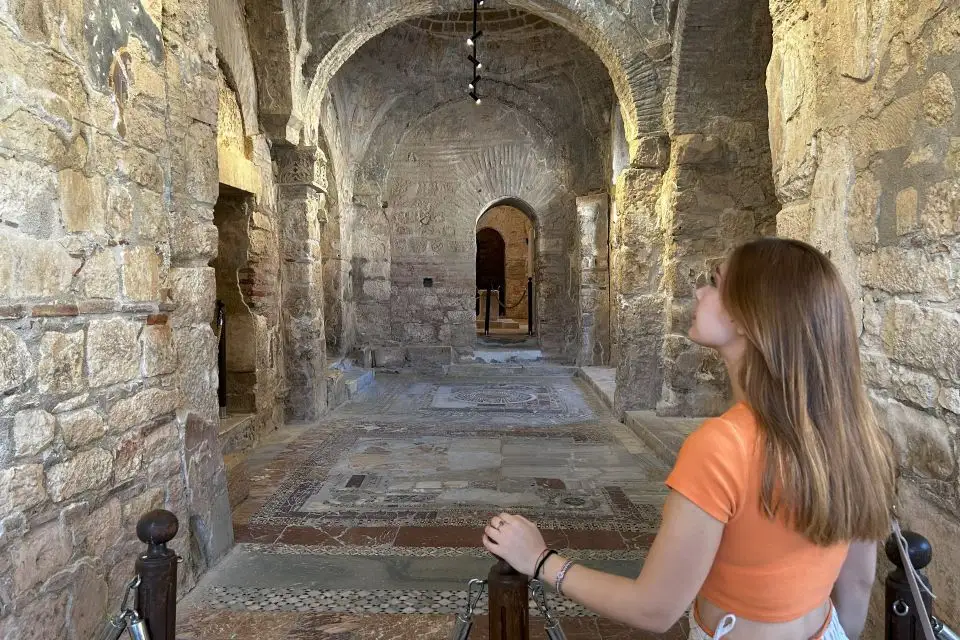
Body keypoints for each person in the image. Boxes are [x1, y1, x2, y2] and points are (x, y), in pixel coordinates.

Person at [482, 238, 896, 640]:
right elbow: (857, 585)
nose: (699, 291)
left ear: (748, 316)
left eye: (715, 283)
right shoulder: (859, 437)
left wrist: (539, 559)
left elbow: (654, 608)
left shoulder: (722, 447)